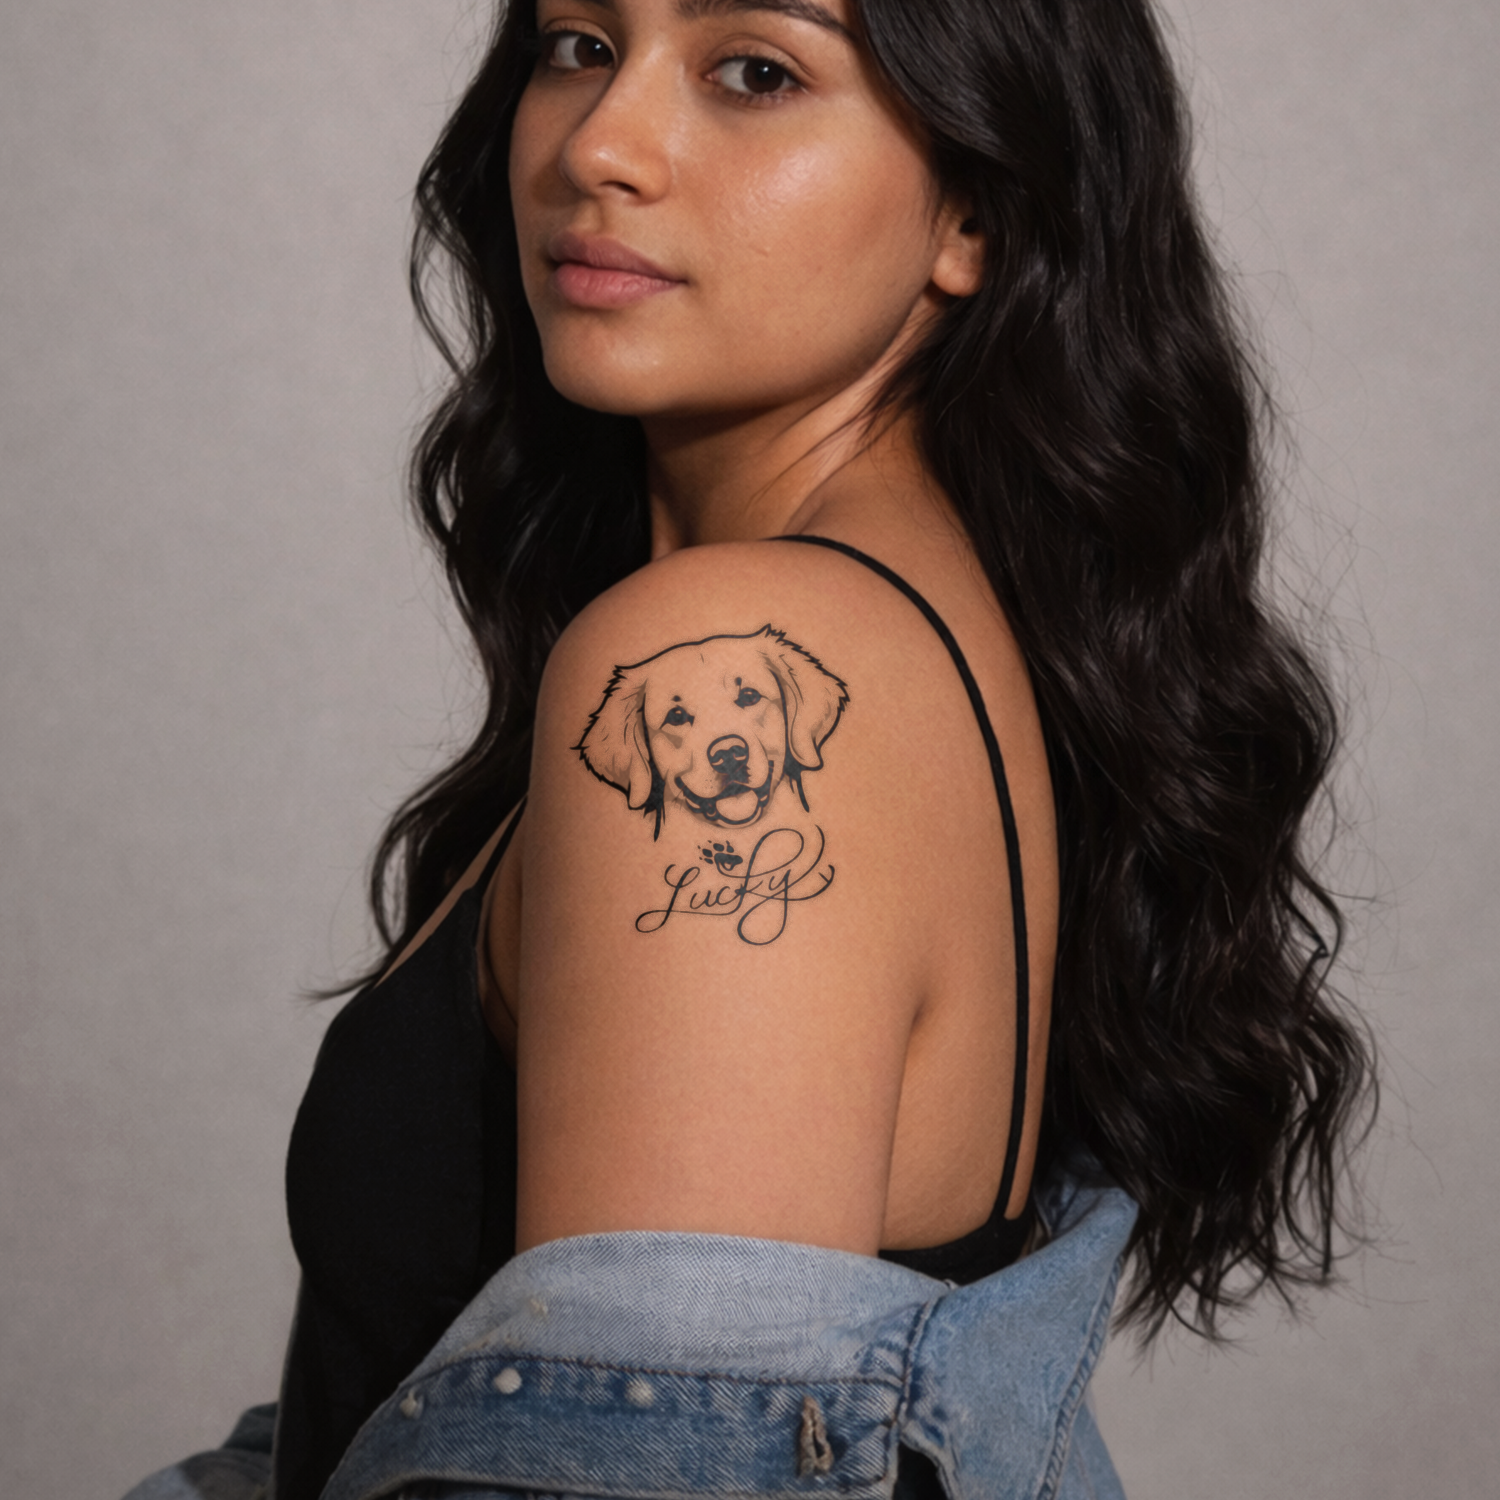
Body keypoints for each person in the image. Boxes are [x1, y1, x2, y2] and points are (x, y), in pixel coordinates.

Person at [124, 0, 1372, 1496]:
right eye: (579, 44)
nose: (600, 143)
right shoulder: (939, 625)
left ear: (971, 211)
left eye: (756, 72)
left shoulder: (734, 647)